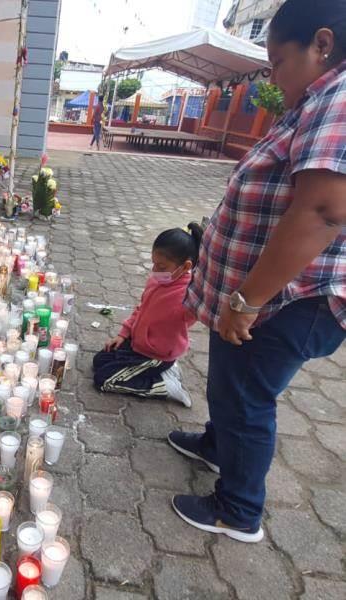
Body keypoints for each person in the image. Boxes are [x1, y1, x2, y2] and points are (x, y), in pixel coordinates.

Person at [169, 0, 346, 543]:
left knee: (247, 396)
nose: (272, 76)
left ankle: (237, 509)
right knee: (231, 381)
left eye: (277, 62)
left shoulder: (338, 99)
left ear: (322, 44)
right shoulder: (313, 100)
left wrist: (247, 301)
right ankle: (219, 446)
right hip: (264, 294)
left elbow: (322, 210)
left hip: (292, 299)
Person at [93, 224, 202, 406]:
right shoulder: (157, 280)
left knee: (103, 380)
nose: (155, 270)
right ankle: (166, 371)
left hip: (156, 355)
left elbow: (200, 311)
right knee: (99, 361)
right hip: (137, 343)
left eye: (161, 266)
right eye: (154, 263)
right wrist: (123, 334)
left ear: (185, 267)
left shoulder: (188, 295)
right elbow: (142, 308)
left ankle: (166, 385)